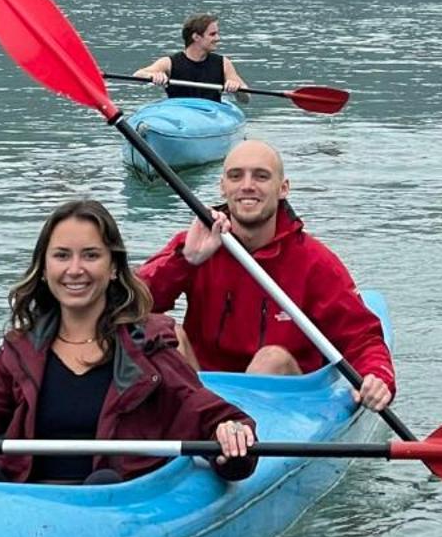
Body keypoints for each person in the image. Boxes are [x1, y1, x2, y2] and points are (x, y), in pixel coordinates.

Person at [0, 199, 257, 485]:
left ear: (112, 268)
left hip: (106, 505)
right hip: (24, 507)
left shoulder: (147, 347)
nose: (75, 269)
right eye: (62, 256)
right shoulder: (22, 349)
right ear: (44, 269)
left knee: (101, 481)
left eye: (90, 255)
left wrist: (230, 436)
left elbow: (212, 416)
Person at [138, 140, 396, 412]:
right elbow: (124, 305)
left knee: (270, 360)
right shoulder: (196, 242)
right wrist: (184, 261)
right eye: (236, 176)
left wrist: (377, 375)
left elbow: (361, 338)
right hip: (201, 394)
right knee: (164, 332)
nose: (247, 185)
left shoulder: (315, 262)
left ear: (283, 189)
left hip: (283, 400)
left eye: (261, 176)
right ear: (223, 187)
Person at [134, 13, 249, 103]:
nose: (218, 38)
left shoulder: (223, 63)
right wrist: (152, 75)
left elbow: (246, 99)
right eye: (212, 34)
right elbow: (138, 75)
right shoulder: (169, 62)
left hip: (211, 114)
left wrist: (237, 88)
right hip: (179, 114)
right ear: (196, 37)